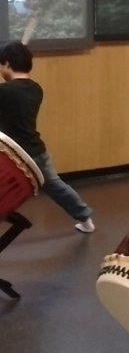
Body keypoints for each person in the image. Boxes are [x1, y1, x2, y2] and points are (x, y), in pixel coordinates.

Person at [0, 41, 94, 233]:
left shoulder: (5, 92)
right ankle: (85, 219)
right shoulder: (35, 89)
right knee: (57, 187)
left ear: (7, 64)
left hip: (13, 156)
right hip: (37, 153)